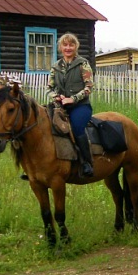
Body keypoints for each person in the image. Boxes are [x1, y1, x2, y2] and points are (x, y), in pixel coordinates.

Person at [47, 32, 95, 177]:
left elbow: (89, 87)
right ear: (60, 47)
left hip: (80, 106)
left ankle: (87, 162)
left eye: (71, 44)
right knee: (41, 124)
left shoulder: (83, 64)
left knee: (76, 127)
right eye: (65, 45)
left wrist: (73, 98)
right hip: (60, 106)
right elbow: (49, 88)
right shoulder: (55, 67)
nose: (68, 48)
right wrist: (56, 97)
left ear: (76, 47)